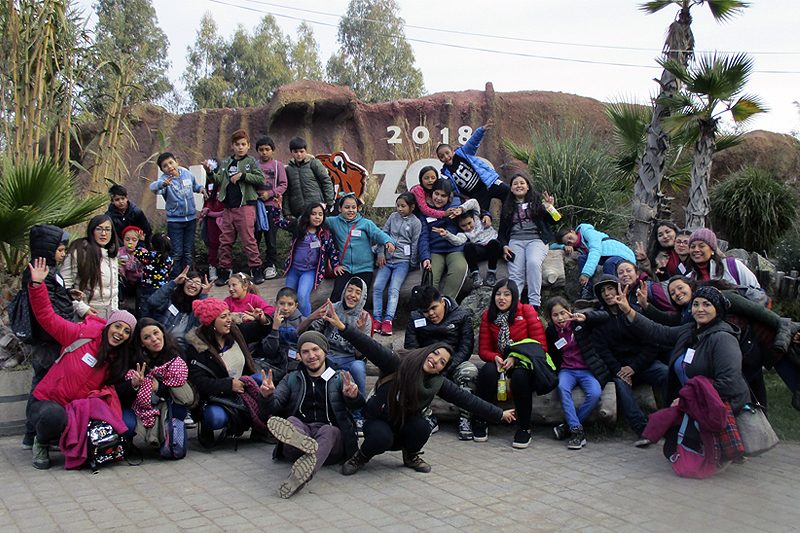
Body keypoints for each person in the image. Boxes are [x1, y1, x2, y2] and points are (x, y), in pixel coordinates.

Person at [320, 301, 515, 475]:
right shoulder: (398, 363)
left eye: (442, 362)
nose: (435, 361)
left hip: (405, 425)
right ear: (427, 352)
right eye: (435, 354)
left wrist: (499, 414)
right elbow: (370, 346)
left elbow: (468, 400)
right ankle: (360, 457)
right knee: (381, 437)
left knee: (423, 427)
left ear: (442, 369)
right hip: (378, 421)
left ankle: (411, 455)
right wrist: (343, 327)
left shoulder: (436, 382)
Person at [26, 257, 137, 469]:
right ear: (109, 325)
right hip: (45, 402)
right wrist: (38, 286)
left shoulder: (117, 360)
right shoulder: (81, 334)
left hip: (76, 411)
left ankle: (63, 439)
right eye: (118, 327)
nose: (120, 333)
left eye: (126, 332)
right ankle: (40, 442)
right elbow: (47, 317)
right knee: (54, 416)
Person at [258, 330, 365, 498]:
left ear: (324, 351)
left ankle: (302, 474)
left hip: (329, 442)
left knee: (329, 431)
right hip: (301, 432)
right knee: (292, 421)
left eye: (315, 350)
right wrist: (266, 396)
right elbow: (272, 407)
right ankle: (303, 446)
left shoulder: (339, 377)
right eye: (305, 351)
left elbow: (359, 406)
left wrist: (352, 397)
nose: (311, 355)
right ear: (299, 355)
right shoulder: (291, 378)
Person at [613, 285, 750, 414]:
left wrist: (688, 399)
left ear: (718, 309)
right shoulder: (690, 329)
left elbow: (728, 382)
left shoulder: (723, 339)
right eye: (696, 304)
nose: (700, 309)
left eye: (706, 304)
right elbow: (657, 331)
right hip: (692, 407)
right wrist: (628, 310)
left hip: (719, 411)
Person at [586, 274, 668, 446]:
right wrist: (621, 370)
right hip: (620, 368)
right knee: (620, 385)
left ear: (618, 290)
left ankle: (672, 419)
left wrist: (634, 367)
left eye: (610, 289)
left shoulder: (634, 313)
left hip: (642, 364)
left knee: (666, 373)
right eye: (603, 291)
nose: (607, 294)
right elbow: (602, 352)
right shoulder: (599, 321)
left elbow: (652, 343)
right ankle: (643, 429)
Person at [185, 298, 272, 446]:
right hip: (215, 397)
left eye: (228, 315)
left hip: (243, 387)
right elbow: (199, 382)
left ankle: (260, 430)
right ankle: (206, 427)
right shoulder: (197, 347)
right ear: (211, 321)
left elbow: (260, 331)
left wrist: (262, 319)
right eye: (223, 317)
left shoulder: (235, 332)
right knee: (215, 418)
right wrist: (228, 385)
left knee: (262, 381)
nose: (228, 320)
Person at [474, 279, 548, 448]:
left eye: (507, 295)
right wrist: (495, 357)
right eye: (498, 294)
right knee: (487, 372)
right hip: (501, 361)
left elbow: (540, 347)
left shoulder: (527, 311)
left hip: (523, 361)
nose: (502, 298)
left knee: (521, 378)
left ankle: (524, 427)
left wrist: (515, 358)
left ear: (514, 297)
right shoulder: (488, 315)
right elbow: (484, 349)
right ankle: (481, 420)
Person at [20, 225, 75, 450]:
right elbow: (46, 309)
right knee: (42, 385)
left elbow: (57, 301)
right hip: (48, 340)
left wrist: (70, 298)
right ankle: (33, 432)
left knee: (46, 384)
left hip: (57, 339)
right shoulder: (38, 274)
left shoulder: (53, 272)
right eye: (60, 250)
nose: (63, 254)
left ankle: (37, 432)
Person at [405, 285, 477, 440]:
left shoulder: (461, 315)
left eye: (433, 308)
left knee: (470, 371)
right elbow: (411, 347)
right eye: (425, 311)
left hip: (453, 363)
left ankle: (465, 418)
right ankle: (427, 417)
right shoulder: (415, 317)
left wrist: (446, 368)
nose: (430, 314)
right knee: (411, 372)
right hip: (426, 364)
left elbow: (466, 347)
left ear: (442, 301)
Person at [545, 297, 616, 449]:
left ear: (569, 311)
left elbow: (605, 317)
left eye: (563, 313)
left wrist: (586, 317)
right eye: (555, 315)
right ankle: (577, 432)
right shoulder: (551, 331)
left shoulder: (580, 322)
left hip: (587, 369)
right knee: (562, 388)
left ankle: (568, 426)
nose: (560, 318)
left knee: (595, 393)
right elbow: (551, 353)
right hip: (567, 370)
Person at [300, 278, 372, 430]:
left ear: (363, 296)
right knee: (321, 369)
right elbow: (312, 333)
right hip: (328, 355)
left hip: (350, 358)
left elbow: (361, 355)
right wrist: (314, 316)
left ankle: (359, 414)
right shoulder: (332, 308)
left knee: (359, 367)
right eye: (350, 290)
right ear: (344, 290)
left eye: (358, 293)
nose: (352, 295)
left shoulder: (364, 318)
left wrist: (359, 334)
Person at [202, 129, 266, 286]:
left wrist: (243, 176)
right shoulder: (226, 162)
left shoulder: (250, 162)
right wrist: (210, 172)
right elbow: (218, 180)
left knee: (249, 240)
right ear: (232, 146)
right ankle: (225, 271)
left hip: (245, 207)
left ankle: (256, 270)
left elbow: (260, 178)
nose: (240, 147)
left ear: (248, 146)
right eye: (237, 144)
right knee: (225, 241)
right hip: (228, 208)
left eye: (243, 144)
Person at [119, 319, 193, 448]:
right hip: (141, 404)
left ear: (163, 333)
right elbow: (124, 392)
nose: (154, 339)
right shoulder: (135, 359)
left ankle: (170, 438)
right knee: (128, 423)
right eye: (147, 337)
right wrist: (136, 385)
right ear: (141, 343)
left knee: (178, 410)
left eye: (156, 333)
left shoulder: (176, 353)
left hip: (166, 400)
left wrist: (159, 387)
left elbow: (182, 387)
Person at [270, 202, 342, 317]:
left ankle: (306, 323)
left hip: (310, 271)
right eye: (314, 214)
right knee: (286, 296)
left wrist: (336, 266)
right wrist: (276, 208)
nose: (317, 217)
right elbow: (278, 221)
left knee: (302, 296)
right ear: (307, 215)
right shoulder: (297, 227)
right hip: (294, 269)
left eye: (320, 214)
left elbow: (332, 250)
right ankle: (283, 323)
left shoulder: (324, 233)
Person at [498, 174, 559, 308]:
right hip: (515, 241)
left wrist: (550, 207)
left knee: (533, 263)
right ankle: (514, 306)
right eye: (515, 184)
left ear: (528, 187)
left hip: (536, 240)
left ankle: (534, 304)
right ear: (511, 189)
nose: (519, 185)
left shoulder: (537, 203)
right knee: (515, 273)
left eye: (522, 183)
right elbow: (501, 233)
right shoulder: (507, 207)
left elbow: (556, 220)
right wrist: (504, 246)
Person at [324, 192, 395, 303]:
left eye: (354, 207)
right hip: (345, 268)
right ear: (340, 208)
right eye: (347, 207)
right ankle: (331, 320)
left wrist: (388, 241)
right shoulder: (334, 222)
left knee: (360, 299)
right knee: (337, 296)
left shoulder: (365, 223)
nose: (351, 210)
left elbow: (378, 234)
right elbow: (317, 219)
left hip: (364, 268)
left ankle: (356, 320)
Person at [151, 152, 207, 276]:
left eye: (171, 163)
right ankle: (175, 279)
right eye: (165, 166)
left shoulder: (186, 173)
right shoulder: (164, 180)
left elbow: (194, 185)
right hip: (175, 221)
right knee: (176, 252)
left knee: (188, 251)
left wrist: (201, 189)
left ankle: (188, 277)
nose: (169, 167)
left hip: (191, 219)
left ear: (176, 161)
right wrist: (163, 184)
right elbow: (153, 188)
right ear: (162, 170)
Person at [373, 192, 421, 336]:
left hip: (402, 262)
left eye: (403, 206)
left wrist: (412, 262)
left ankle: (388, 320)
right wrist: (380, 254)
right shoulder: (393, 217)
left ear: (412, 207)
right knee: (377, 287)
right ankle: (376, 319)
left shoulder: (415, 222)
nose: (399, 209)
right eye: (398, 206)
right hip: (387, 261)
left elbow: (415, 243)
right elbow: (383, 234)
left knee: (394, 289)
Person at [552, 223, 637, 304]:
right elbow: (551, 246)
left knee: (609, 264)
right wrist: (563, 246)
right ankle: (587, 290)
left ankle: (614, 293)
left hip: (620, 253)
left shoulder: (587, 232)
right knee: (582, 258)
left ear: (572, 231)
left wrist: (586, 273)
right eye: (568, 242)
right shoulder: (579, 245)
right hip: (604, 255)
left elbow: (595, 250)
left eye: (570, 237)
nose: (571, 242)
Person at [436, 121, 510, 212]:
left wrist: (481, 130)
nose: (446, 157)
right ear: (440, 159)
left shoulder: (463, 153)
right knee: (480, 215)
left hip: (488, 184)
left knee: (508, 192)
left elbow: (473, 142)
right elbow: (453, 189)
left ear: (452, 151)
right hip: (477, 196)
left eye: (447, 153)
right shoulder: (446, 173)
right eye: (442, 156)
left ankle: (509, 220)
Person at [60, 214, 120, 320]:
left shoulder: (112, 254)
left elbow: (114, 289)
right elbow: (64, 285)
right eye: (99, 229)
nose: (103, 234)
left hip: (110, 313)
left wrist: (115, 311)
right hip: (86, 312)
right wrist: (82, 309)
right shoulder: (79, 251)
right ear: (92, 231)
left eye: (107, 229)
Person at [418, 179, 468, 299]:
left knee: (459, 268)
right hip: (435, 250)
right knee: (430, 276)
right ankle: (432, 306)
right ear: (431, 193)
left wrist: (487, 215)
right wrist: (425, 257)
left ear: (449, 197)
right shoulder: (425, 210)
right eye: (436, 194)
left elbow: (476, 212)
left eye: (443, 195)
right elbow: (423, 236)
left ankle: (446, 304)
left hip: (455, 248)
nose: (439, 198)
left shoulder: (457, 205)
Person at [437, 197, 502, 289]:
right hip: (480, 249)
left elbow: (474, 202)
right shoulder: (464, 233)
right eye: (463, 226)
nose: (468, 227)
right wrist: (447, 234)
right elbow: (458, 241)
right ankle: (475, 274)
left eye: (469, 223)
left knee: (494, 243)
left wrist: (461, 209)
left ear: (473, 218)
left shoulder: (478, 217)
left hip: (493, 247)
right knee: (468, 246)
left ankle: (492, 272)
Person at [147, 267, 211, 351]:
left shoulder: (196, 308)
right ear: (184, 282)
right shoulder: (171, 298)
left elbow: (201, 321)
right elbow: (153, 301)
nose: (193, 285)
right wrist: (174, 282)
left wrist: (204, 295)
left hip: (180, 351)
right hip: (159, 344)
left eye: (197, 283)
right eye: (190, 280)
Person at [686, 228, 763, 297]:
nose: (696, 250)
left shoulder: (732, 265)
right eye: (692, 247)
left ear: (712, 249)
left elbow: (756, 292)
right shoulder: (689, 278)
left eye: (701, 246)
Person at [254, 136, 287, 280]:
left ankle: (270, 265)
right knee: (255, 237)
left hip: (271, 206)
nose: (264, 152)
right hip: (255, 207)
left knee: (270, 238)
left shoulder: (277, 165)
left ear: (272, 150)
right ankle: (255, 267)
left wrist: (270, 193)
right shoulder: (254, 165)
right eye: (261, 150)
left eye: (267, 149)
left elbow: (283, 184)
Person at [257, 287, 305, 383]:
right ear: (276, 304)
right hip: (274, 361)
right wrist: (275, 327)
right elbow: (269, 351)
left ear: (296, 306)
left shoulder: (303, 321)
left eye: (290, 304)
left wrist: (302, 353)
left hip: (294, 361)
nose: (285, 308)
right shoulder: (269, 320)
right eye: (282, 303)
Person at [283, 136, 335, 218]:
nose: (299, 154)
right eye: (295, 152)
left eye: (301, 151)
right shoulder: (288, 169)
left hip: (317, 207)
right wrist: (287, 212)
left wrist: (329, 202)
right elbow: (287, 192)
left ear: (306, 151)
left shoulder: (314, 163)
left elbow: (326, 181)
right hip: (298, 210)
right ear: (291, 152)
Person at [133, 232, 173, 319]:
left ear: (152, 244)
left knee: (144, 314)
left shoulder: (151, 256)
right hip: (162, 291)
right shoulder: (169, 259)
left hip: (147, 289)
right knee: (159, 315)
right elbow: (169, 271)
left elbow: (138, 252)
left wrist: (141, 241)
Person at [199, 168, 225, 281]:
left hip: (224, 219)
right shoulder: (208, 185)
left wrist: (214, 213)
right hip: (211, 221)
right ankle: (212, 267)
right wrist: (205, 211)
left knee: (225, 243)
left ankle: (226, 268)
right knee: (212, 245)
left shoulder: (224, 185)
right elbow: (206, 202)